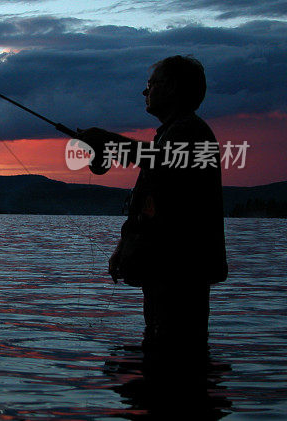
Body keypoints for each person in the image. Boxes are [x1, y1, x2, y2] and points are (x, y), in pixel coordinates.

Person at [78, 55, 228, 359]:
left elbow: (164, 160)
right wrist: (123, 247)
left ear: (171, 88)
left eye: (151, 85)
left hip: (180, 273)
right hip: (164, 270)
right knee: (161, 354)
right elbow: (151, 204)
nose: (145, 92)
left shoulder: (191, 131)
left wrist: (108, 141)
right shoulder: (171, 135)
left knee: (175, 354)